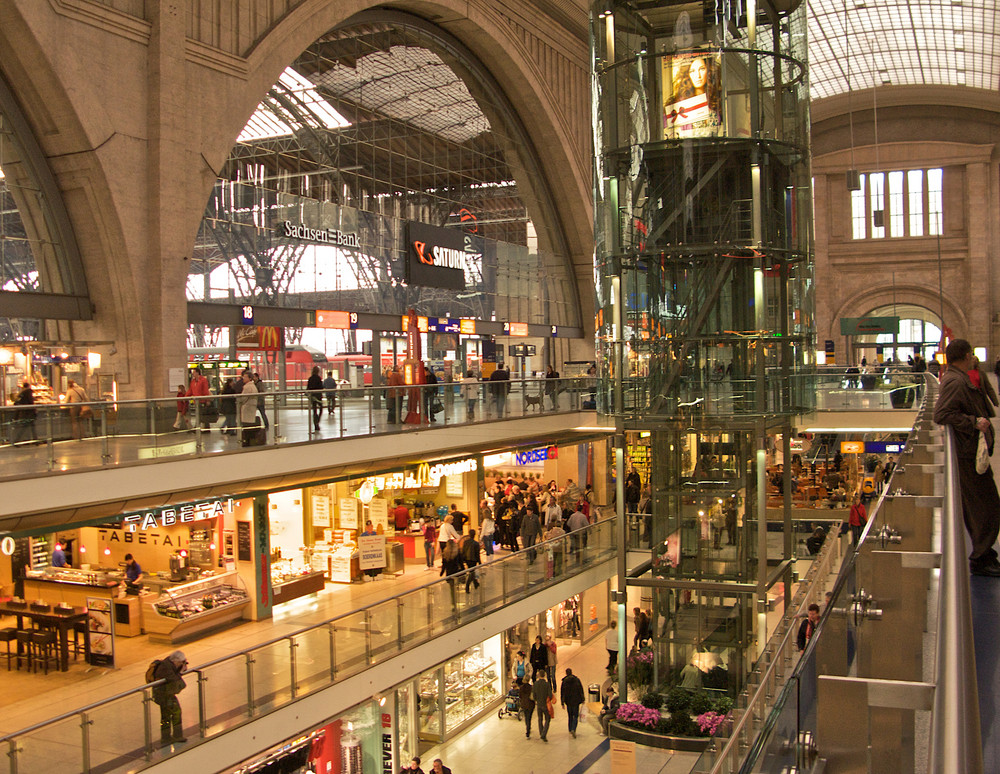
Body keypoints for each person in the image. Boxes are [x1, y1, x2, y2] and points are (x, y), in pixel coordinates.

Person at [933, 338, 1000, 576]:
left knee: (983, 505)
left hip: (970, 452)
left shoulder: (959, 378)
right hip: (967, 455)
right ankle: (981, 557)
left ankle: (985, 553)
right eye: (971, 354)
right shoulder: (955, 381)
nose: (974, 357)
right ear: (964, 355)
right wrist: (973, 422)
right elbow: (941, 414)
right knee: (986, 506)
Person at [152, 650, 188, 746]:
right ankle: (175, 736)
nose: (182, 664)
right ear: (176, 661)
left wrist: (181, 668)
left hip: (166, 693)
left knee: (166, 715)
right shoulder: (166, 667)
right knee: (175, 712)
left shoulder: (170, 664)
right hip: (163, 694)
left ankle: (166, 737)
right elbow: (174, 679)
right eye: (181, 662)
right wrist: (180, 672)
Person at [560, 667, 585, 738]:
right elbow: (581, 690)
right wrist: (583, 699)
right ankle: (574, 728)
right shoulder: (577, 680)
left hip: (568, 702)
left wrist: (562, 702)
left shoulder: (564, 682)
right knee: (575, 716)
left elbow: (562, 693)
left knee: (570, 715)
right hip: (576, 701)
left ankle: (570, 728)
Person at [237, 371, 260, 442]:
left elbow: (243, 398)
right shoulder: (253, 386)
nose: (243, 378)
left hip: (247, 407)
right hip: (252, 407)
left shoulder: (247, 387)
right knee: (250, 424)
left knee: (246, 425)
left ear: (250, 378)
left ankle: (246, 440)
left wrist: (239, 401)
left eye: (245, 377)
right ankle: (250, 439)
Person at [439, 539, 463, 608]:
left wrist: (442, 572)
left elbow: (444, 564)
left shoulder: (445, 553)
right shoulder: (457, 552)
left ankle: (453, 603)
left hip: (449, 574)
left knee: (452, 589)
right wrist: (463, 571)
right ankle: (457, 600)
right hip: (456, 573)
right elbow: (460, 563)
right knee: (456, 587)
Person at [532, 671, 553, 742]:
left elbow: (533, 695)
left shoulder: (535, 684)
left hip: (539, 704)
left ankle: (541, 733)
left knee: (540, 718)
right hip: (545, 704)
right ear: (544, 675)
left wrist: (536, 700)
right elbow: (550, 695)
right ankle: (544, 734)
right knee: (547, 719)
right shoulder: (547, 684)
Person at [306, 366, 324, 432]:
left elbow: (308, 387)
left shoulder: (310, 378)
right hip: (318, 396)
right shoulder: (318, 378)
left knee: (314, 410)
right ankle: (317, 421)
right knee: (321, 408)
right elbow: (321, 387)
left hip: (312, 396)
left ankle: (315, 424)